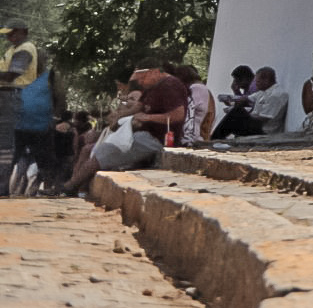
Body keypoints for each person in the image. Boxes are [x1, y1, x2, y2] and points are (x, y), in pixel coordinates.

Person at [66, 56, 187, 193]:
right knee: (98, 147)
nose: (140, 82)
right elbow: (139, 106)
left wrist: (147, 117)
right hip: (140, 133)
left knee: (106, 150)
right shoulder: (152, 86)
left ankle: (70, 186)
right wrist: (119, 117)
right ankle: (76, 186)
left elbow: (178, 115)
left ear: (154, 72)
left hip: (156, 138)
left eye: (143, 78)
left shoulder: (171, 85)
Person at [7, 61, 54, 196]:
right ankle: (16, 196)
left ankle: (19, 197)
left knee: (27, 171)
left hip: (31, 133)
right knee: (25, 170)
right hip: (30, 134)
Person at [1, 23, 36, 175]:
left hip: (15, 95)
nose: (9, 37)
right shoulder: (12, 50)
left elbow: (11, 75)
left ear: (22, 32)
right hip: (8, 95)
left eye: (12, 34)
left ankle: (2, 184)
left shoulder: (25, 50)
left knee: (6, 141)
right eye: (7, 34)